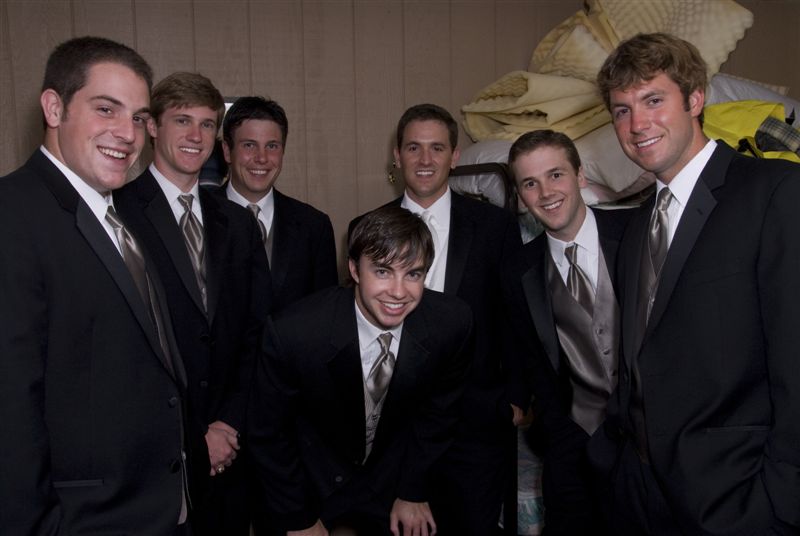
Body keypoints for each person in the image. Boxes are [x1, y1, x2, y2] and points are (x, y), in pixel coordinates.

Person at [588, 32, 800, 534]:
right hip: (639, 496)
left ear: (696, 99)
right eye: (622, 110)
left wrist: (780, 503)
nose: (637, 125)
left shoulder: (774, 193)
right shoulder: (638, 224)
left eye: (653, 100)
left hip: (737, 500)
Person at [0, 36, 191, 534]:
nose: (127, 134)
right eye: (106, 109)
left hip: (156, 507)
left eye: (138, 118)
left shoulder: (116, 213)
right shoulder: (12, 214)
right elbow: (10, 406)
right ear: (54, 108)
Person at [349, 104, 528, 534]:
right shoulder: (365, 228)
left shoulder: (495, 226)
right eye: (414, 148)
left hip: (476, 424)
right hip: (394, 427)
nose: (425, 159)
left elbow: (517, 316)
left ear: (455, 156)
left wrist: (517, 399)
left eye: (437, 148)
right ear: (397, 156)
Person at [248, 205, 473, 536]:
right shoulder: (295, 333)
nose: (398, 292)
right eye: (382, 271)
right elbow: (268, 434)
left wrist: (412, 490)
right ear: (354, 269)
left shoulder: (451, 323)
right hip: (310, 481)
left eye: (413, 274)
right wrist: (298, 517)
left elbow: (439, 414)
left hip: (391, 478)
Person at [114, 72, 271, 535]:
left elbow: (256, 331)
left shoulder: (238, 223)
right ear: (152, 126)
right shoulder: (117, 212)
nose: (196, 136)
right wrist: (194, 433)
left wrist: (227, 423)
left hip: (231, 452)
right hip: (156, 455)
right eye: (182, 120)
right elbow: (123, 349)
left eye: (207, 124)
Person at [505, 129, 631, 535]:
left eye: (555, 175)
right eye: (530, 183)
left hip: (650, 437)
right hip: (571, 442)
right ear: (520, 195)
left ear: (580, 176)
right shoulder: (517, 270)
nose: (545, 193)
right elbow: (523, 353)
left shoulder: (636, 232)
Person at [220, 96, 338, 312]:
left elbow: (326, 313)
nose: (262, 158)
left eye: (272, 146)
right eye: (249, 145)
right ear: (227, 151)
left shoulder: (314, 227)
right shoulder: (198, 216)